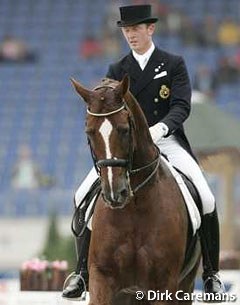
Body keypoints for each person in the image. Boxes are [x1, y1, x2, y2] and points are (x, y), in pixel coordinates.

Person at [62, 4, 225, 299]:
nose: (131, 35)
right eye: (126, 30)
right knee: (80, 195)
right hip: (125, 147)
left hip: (166, 140)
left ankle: (211, 273)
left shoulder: (173, 64)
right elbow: (108, 112)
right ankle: (82, 272)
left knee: (207, 197)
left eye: (136, 29)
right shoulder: (117, 69)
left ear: (150, 29)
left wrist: (160, 129)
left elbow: (181, 106)